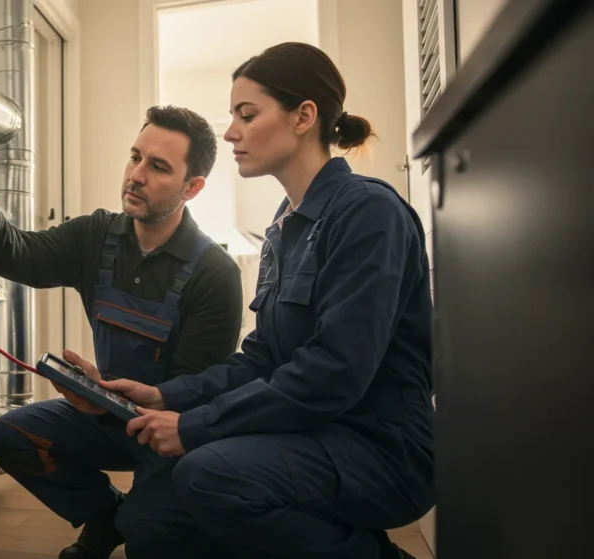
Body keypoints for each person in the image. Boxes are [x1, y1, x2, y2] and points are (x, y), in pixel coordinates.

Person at [79, 42, 434, 559]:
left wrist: (195, 426)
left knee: (208, 474)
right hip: (311, 433)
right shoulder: (283, 227)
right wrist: (169, 397)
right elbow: (263, 357)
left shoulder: (368, 213)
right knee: (150, 523)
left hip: (383, 450)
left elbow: (336, 369)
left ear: (303, 116)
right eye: (232, 116)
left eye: (247, 114)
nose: (230, 133)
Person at [0, 106, 245, 559]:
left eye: (158, 167)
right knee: (10, 436)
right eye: (135, 157)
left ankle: (135, 520)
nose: (135, 175)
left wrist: (111, 397)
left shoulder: (215, 273)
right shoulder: (98, 234)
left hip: (173, 431)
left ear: (192, 187)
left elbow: (195, 391)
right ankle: (104, 517)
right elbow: (24, 255)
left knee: (148, 535)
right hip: (110, 415)